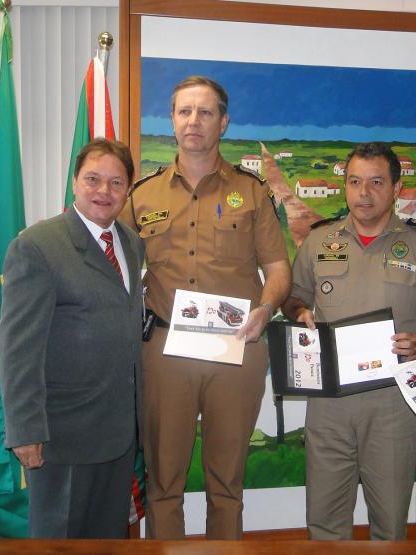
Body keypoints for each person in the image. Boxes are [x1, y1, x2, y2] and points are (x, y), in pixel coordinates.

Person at [119, 75, 291, 539]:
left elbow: (278, 268)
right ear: (172, 120)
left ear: (223, 123)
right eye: (184, 111)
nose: (194, 121)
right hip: (164, 350)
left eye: (205, 112)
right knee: (164, 481)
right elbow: (110, 264)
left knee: (226, 482)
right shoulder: (141, 195)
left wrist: (267, 308)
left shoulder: (252, 192)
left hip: (236, 349)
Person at [281, 142, 416, 540]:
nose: (364, 192)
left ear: (396, 188)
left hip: (393, 403)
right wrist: (299, 313)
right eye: (355, 181)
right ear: (344, 186)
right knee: (325, 521)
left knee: (390, 523)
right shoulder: (319, 241)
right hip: (329, 403)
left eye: (376, 182)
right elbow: (293, 297)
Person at [0, 138, 144, 538]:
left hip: (118, 432)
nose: (104, 191)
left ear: (128, 189)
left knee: (108, 538)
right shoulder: (37, 246)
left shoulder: (131, 244)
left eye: (116, 183)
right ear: (75, 182)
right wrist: (26, 429)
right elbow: (17, 349)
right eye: (93, 179)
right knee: (59, 540)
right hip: (62, 435)